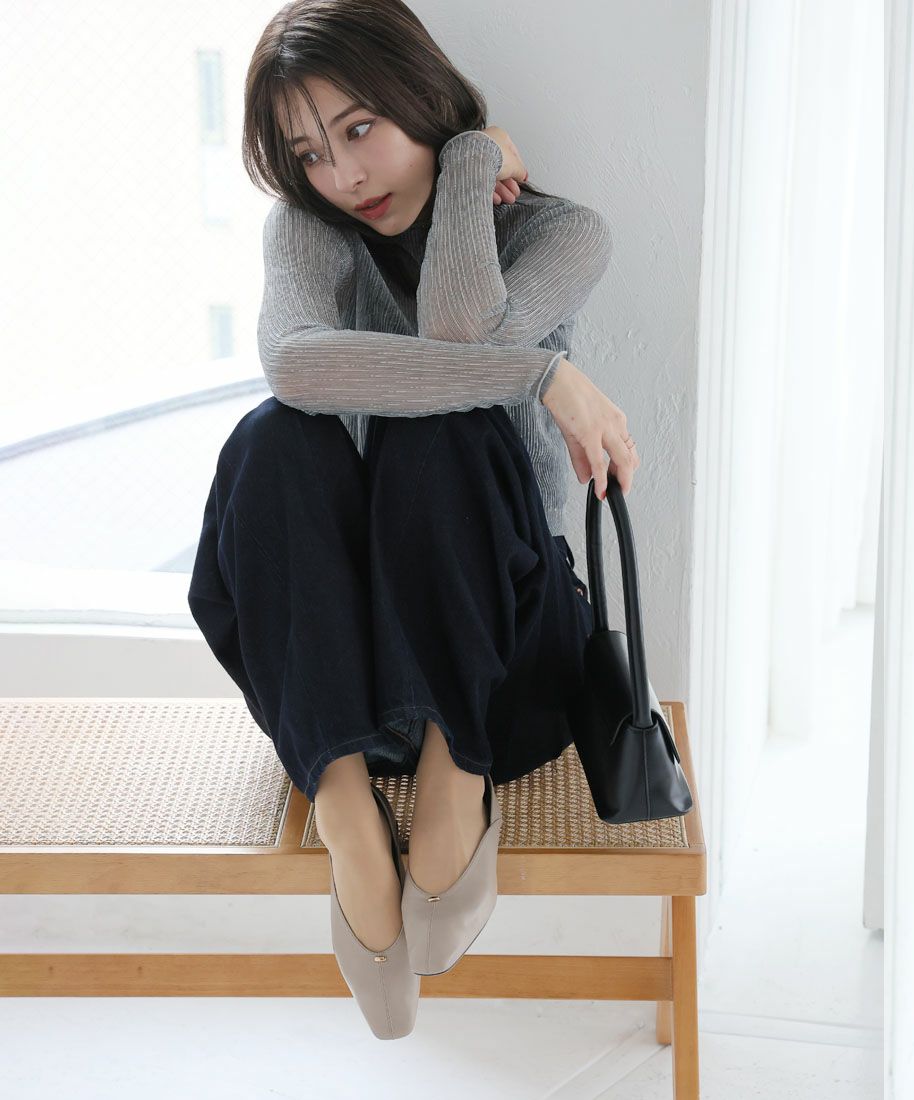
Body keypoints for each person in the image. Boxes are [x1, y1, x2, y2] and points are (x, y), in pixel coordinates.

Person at [187, 0, 641, 1038]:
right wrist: (543, 376)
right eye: (310, 153)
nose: (345, 176)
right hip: (336, 676)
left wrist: (470, 160)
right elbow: (295, 367)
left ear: (421, 95)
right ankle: (346, 812)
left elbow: (457, 332)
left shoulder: (561, 233)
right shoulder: (309, 231)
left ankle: (453, 776)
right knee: (273, 438)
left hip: (504, 656)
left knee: (441, 433)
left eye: (361, 129)